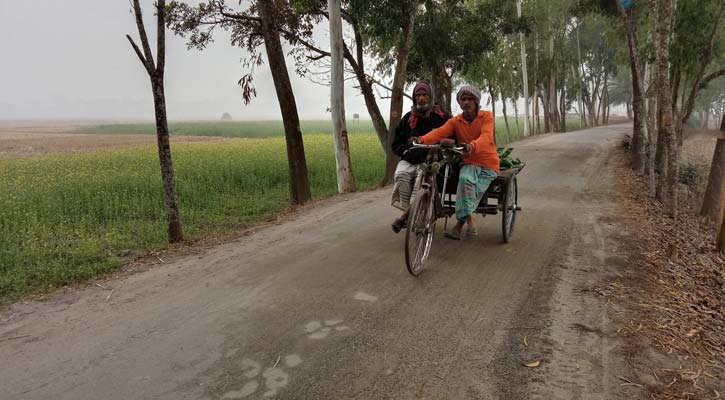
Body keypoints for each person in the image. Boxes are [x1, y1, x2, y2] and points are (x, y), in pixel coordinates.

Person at [416, 84, 500, 240]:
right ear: (460, 102)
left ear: (476, 102)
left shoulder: (486, 116)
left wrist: (471, 146)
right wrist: (421, 139)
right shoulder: (456, 121)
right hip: (469, 163)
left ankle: (460, 225)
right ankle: (470, 220)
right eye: (463, 99)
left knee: (473, 191)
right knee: (464, 179)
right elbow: (439, 133)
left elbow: (487, 137)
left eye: (469, 99)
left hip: (489, 164)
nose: (466, 102)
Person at [391, 82, 450, 233]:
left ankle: (407, 217)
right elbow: (396, 142)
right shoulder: (408, 119)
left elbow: (453, 132)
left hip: (431, 160)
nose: (421, 98)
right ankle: (410, 212)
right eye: (418, 95)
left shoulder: (441, 117)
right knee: (401, 175)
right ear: (414, 98)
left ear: (430, 97)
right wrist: (404, 152)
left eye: (425, 95)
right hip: (410, 159)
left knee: (421, 180)